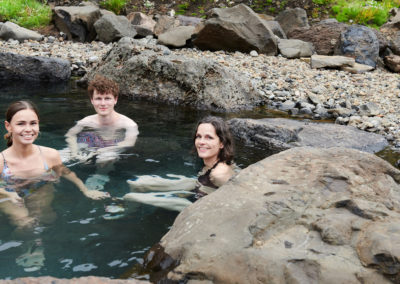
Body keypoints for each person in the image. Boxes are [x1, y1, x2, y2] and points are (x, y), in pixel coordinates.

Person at [0, 101, 109, 228]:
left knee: (48, 219)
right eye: (21, 124)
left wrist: (86, 190)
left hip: (40, 189)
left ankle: (39, 243)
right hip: (11, 194)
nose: (28, 129)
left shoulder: (50, 155)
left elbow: (65, 172)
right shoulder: (2, 161)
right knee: (26, 225)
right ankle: (29, 245)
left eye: (33, 123)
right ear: (8, 126)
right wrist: (8, 194)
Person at [124, 116, 236, 211]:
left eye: (209, 138)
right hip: (200, 187)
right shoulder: (212, 164)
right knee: (137, 183)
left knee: (131, 196)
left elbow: (234, 201)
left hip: (198, 209)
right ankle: (134, 210)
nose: (201, 142)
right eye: (199, 136)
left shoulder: (219, 174)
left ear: (221, 143)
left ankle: (127, 212)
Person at [63, 75, 139, 190]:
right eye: (98, 98)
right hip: (91, 141)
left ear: (115, 100)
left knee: (105, 157)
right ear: (92, 101)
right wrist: (74, 152)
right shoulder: (86, 122)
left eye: (107, 98)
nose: (103, 103)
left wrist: (100, 151)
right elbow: (70, 135)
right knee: (61, 155)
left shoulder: (129, 124)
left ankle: (99, 177)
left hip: (113, 146)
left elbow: (129, 143)